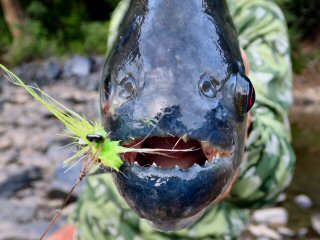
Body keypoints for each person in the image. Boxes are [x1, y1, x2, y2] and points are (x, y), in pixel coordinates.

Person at [49, 0, 295, 239]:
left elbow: (275, 180)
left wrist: (246, 135)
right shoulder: (125, 10)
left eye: (244, 97)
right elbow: (107, 134)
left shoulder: (258, 15)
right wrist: (77, 226)